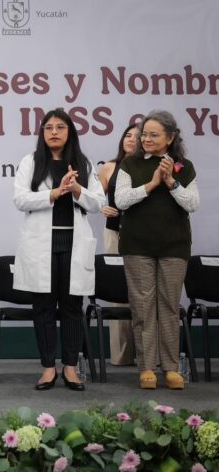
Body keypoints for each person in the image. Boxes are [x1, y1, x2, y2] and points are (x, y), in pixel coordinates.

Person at [13, 108, 105, 391]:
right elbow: (21, 199)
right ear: (42, 133)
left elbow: (99, 203)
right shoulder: (31, 161)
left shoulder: (82, 163)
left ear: (70, 132)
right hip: (41, 244)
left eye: (60, 127)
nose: (54, 132)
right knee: (43, 307)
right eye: (49, 127)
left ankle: (71, 368)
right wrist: (53, 193)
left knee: (72, 307)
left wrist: (77, 189)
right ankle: (47, 368)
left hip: (73, 244)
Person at [115, 110, 199, 390]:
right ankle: (147, 367)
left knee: (169, 308)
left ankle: (171, 368)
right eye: (144, 134)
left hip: (174, 247)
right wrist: (151, 184)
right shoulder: (130, 164)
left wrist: (170, 182)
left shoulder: (183, 166)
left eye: (154, 134)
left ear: (170, 137)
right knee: (142, 308)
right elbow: (122, 200)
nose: (146, 139)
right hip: (137, 245)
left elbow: (192, 204)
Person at [98, 123, 139, 366]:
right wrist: (101, 206)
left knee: (143, 292)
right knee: (117, 292)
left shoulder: (149, 167)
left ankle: (149, 355)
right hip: (114, 231)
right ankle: (121, 355)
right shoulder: (109, 167)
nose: (131, 139)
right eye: (127, 135)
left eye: (137, 136)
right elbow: (93, 197)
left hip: (143, 233)